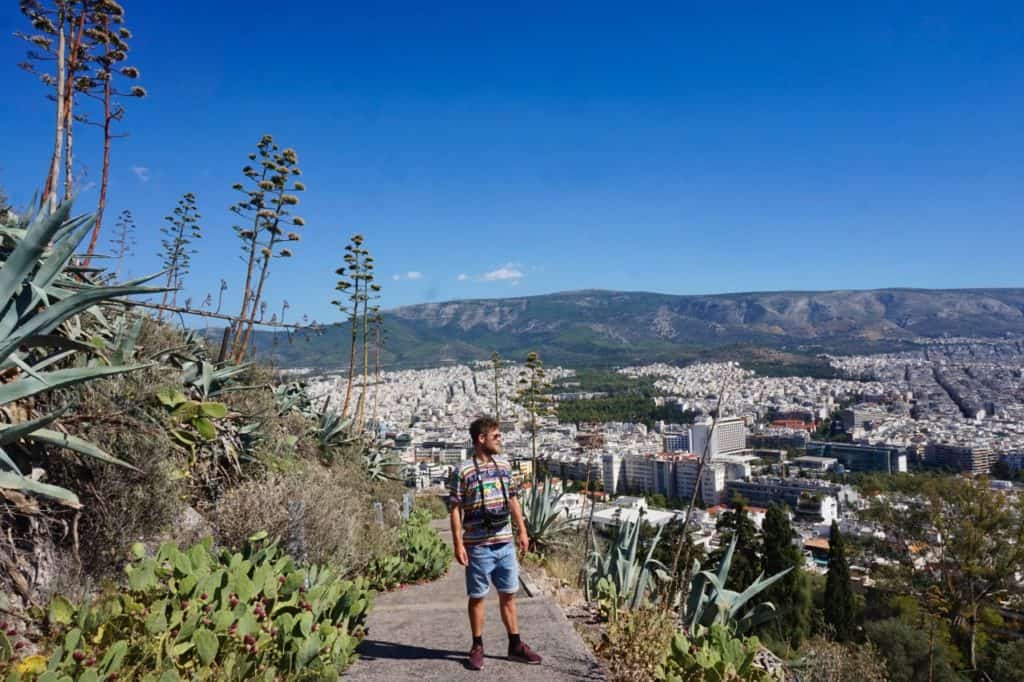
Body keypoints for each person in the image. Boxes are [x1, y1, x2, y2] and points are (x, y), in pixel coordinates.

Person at [448, 415, 543, 671]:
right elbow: (455, 508)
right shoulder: (463, 471)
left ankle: (515, 644)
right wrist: (458, 544)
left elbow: (512, 499)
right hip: (477, 546)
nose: (501, 440)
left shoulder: (504, 464)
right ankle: (477, 646)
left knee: (509, 595)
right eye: (496, 436)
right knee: (478, 597)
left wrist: (522, 531)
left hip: (504, 542)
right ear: (481, 439)